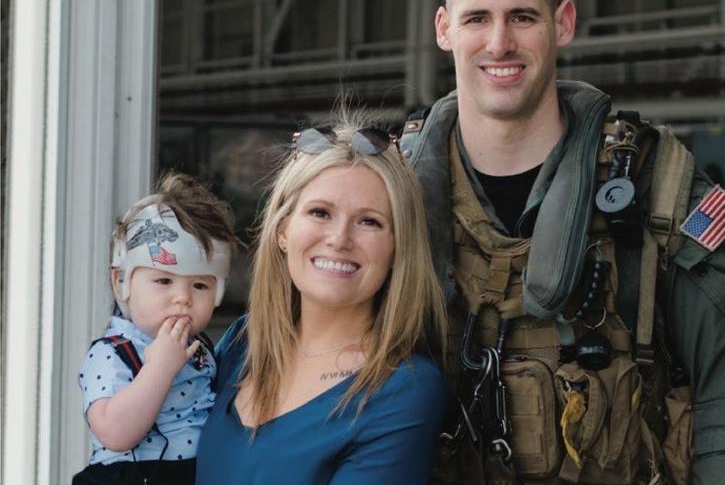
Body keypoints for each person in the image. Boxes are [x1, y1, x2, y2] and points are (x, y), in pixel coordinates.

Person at [402, 0, 725, 485]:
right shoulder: (389, 191)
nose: (499, 42)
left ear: (563, 22)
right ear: (444, 29)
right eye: (476, 19)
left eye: (522, 17)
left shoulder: (656, 182)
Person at [196, 122, 449, 484]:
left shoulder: (403, 389)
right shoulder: (244, 342)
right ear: (283, 230)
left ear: (398, 248)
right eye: (320, 213)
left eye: (369, 221)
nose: (339, 239)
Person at [73, 173, 238, 485]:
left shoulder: (200, 348)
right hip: (129, 476)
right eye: (164, 281)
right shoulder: (113, 353)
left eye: (200, 285)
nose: (183, 298)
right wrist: (159, 368)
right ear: (121, 282)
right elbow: (115, 433)